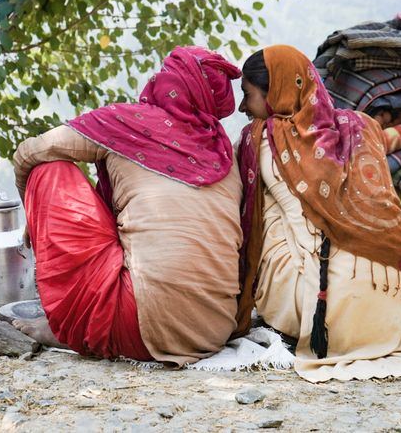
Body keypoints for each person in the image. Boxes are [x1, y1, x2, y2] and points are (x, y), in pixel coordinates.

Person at [12, 46, 243, 364]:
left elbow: (31, 151)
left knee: (48, 170)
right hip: (212, 331)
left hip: (133, 324)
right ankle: (88, 318)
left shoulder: (125, 123)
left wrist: (33, 206)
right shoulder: (225, 157)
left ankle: (73, 325)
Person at [236, 45, 401, 382]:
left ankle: (301, 313)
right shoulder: (361, 125)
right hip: (397, 313)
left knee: (269, 212)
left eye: (248, 96)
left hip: (328, 314)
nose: (242, 108)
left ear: (274, 93)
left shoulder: (263, 137)